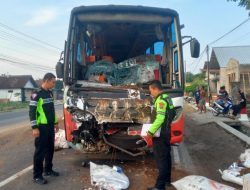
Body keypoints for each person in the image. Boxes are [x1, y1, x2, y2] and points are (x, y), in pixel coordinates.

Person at [29, 73, 59, 185]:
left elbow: (52, 110)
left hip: (50, 126)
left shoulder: (50, 93)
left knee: (50, 149)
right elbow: (32, 112)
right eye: (53, 82)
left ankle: (48, 170)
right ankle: (37, 176)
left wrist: (55, 122)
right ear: (46, 80)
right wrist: (34, 127)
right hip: (41, 127)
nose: (54, 84)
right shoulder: (36, 94)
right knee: (40, 152)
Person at [147, 80, 175, 190]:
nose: (150, 93)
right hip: (166, 132)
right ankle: (167, 180)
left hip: (160, 134)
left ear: (155, 89)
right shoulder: (167, 97)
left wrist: (150, 132)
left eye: (151, 91)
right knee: (167, 157)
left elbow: (160, 118)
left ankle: (159, 187)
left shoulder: (160, 100)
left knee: (161, 159)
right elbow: (173, 113)